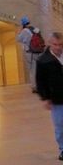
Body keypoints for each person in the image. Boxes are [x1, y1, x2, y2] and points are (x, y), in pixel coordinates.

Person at [36, 32, 63, 161]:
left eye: (61, 44)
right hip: (57, 98)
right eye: (55, 44)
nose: (58, 47)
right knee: (60, 125)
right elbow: (40, 81)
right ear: (49, 43)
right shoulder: (43, 60)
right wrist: (45, 98)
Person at [16, 16, 44, 93]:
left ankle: (34, 87)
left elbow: (18, 39)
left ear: (23, 23)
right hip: (38, 52)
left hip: (30, 53)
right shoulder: (35, 29)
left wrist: (19, 31)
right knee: (38, 69)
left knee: (32, 70)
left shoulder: (24, 31)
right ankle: (40, 85)